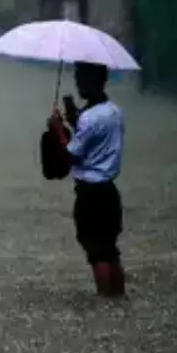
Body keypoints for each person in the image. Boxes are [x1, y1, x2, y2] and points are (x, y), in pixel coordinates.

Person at [48, 61, 125, 297]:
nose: (78, 82)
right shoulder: (114, 111)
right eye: (78, 77)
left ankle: (103, 301)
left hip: (90, 194)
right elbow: (94, 140)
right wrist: (74, 121)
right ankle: (118, 301)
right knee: (110, 250)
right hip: (110, 191)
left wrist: (58, 129)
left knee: (96, 252)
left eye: (82, 78)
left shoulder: (90, 119)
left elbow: (70, 155)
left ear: (95, 80)